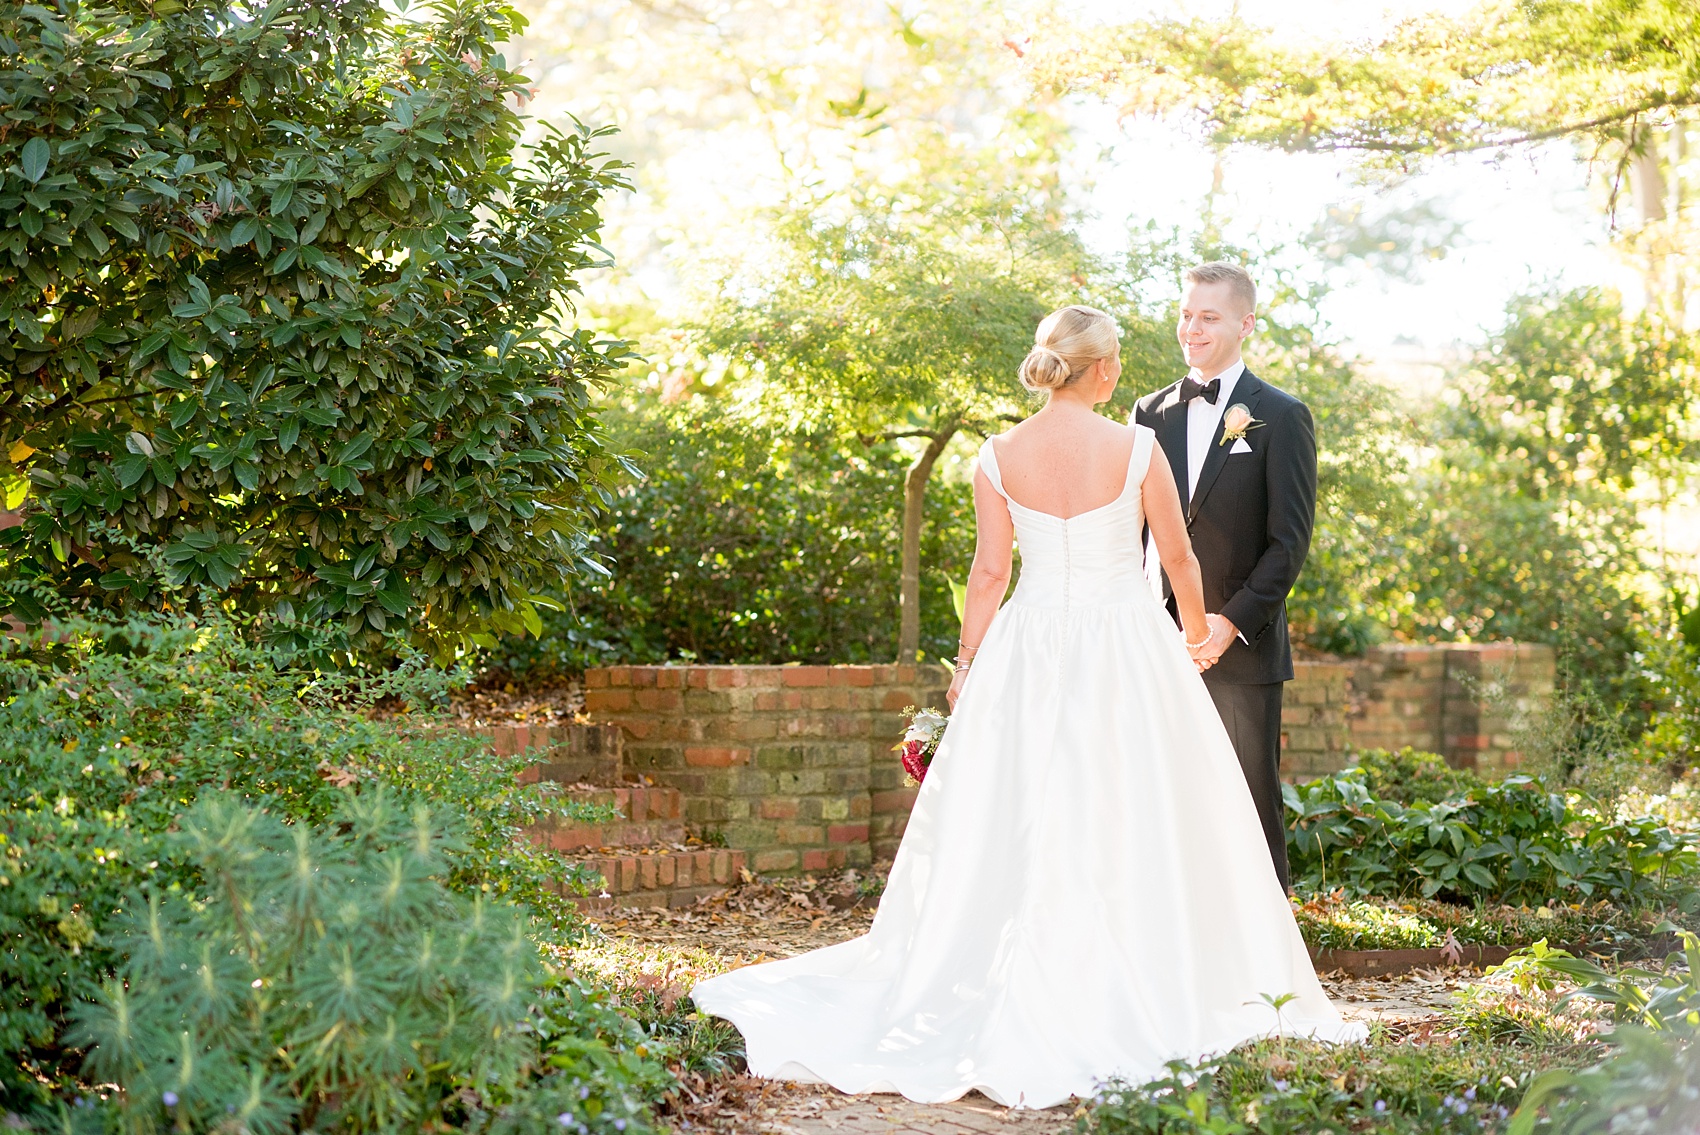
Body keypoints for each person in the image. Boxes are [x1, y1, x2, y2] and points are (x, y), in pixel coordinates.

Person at [690, 304, 1362, 1109]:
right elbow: (1177, 555)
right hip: (1126, 644)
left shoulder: (998, 454)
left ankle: (1002, 967)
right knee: (1137, 807)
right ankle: (1141, 967)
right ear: (1106, 370)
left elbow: (987, 573)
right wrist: (1192, 635)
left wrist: (966, 666)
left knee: (1019, 808)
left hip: (1029, 647)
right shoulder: (1138, 446)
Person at [1134, 262, 1317, 892]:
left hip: (1242, 649)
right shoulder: (1147, 412)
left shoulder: (1283, 416)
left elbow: (1288, 543)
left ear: (1246, 324)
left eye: (1208, 317)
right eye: (1186, 314)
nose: (1192, 328)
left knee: (1248, 801)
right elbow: (1133, 532)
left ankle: (1270, 958)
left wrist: (1228, 623)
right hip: (1154, 643)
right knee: (1161, 797)